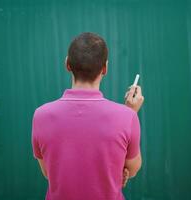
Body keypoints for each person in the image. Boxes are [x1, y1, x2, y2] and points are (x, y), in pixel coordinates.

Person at [31, 32, 144, 200]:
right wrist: (130, 113)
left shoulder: (41, 115)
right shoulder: (126, 117)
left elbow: (48, 172)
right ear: (105, 68)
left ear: (67, 64)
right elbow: (131, 169)